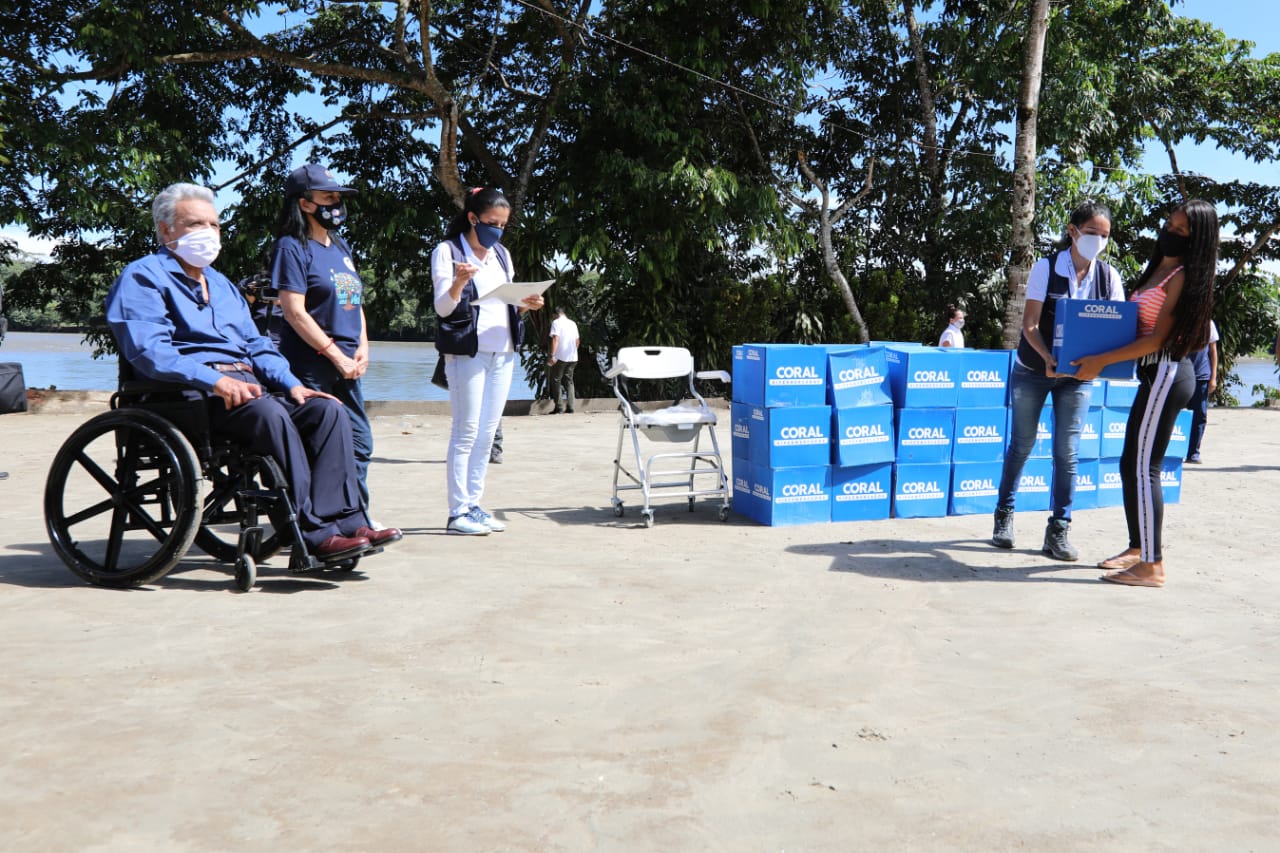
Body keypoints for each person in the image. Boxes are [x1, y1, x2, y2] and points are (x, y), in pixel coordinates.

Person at [105, 182, 401, 560]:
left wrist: (293, 385)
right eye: (196, 224)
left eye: (214, 225)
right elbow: (150, 352)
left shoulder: (222, 285)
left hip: (246, 388)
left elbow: (257, 345)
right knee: (268, 413)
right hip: (184, 396)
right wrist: (217, 380)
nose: (209, 233)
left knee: (327, 410)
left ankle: (348, 521)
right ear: (166, 230)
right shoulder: (143, 276)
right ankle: (313, 532)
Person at [1073, 198, 1220, 588]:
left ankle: (1153, 565)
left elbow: (1157, 339)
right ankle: (1139, 547)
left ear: (1197, 239)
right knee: (1130, 463)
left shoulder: (1184, 277)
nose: (1170, 233)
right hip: (1153, 374)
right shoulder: (1158, 268)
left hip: (1168, 372)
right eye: (1169, 225)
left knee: (1144, 467)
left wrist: (1100, 360)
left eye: (1181, 231)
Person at [992, 200, 1125, 560]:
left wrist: (1100, 365)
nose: (1098, 240)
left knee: (1067, 453)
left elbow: (1116, 330)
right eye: (1092, 232)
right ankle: (1004, 515)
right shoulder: (1046, 268)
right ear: (1073, 231)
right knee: (1022, 445)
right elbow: (1030, 324)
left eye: (1105, 235)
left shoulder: (1109, 278)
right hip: (1034, 370)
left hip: (1078, 379)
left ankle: (1059, 529)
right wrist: (1048, 358)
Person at [431, 187, 543, 535]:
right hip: (468, 351)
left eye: (503, 225)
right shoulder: (447, 251)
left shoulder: (501, 255)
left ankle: (474, 505)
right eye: (492, 223)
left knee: (487, 432)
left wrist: (526, 305)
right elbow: (443, 308)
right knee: (466, 431)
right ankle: (457, 512)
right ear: (472, 218)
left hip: (503, 351)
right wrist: (458, 283)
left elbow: (507, 306)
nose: (498, 230)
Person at [269, 164, 378, 517]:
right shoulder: (291, 247)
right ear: (305, 203)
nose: (336, 203)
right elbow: (294, 311)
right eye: (328, 197)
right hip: (311, 366)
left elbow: (355, 302)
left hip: (347, 365)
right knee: (321, 447)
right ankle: (319, 519)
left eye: (338, 197)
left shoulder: (340, 246)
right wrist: (335, 355)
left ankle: (354, 514)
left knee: (359, 443)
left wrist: (362, 348)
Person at [1184, 319, 1219, 463]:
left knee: (1200, 416)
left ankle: (1193, 452)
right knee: (1174, 414)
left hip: (1201, 376)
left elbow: (1213, 351)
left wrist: (1213, 377)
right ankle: (1174, 450)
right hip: (1180, 375)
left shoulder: (1208, 323)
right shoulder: (1179, 319)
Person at [547, 306, 581, 413]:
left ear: (555, 314)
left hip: (560, 357)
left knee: (556, 380)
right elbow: (577, 341)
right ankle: (571, 407)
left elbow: (555, 339)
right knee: (569, 381)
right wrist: (573, 352)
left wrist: (552, 355)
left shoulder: (556, 322)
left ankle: (559, 407)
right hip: (573, 357)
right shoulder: (573, 323)